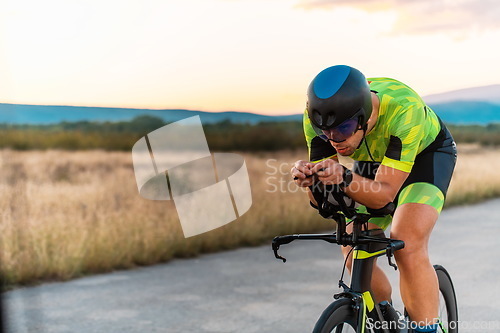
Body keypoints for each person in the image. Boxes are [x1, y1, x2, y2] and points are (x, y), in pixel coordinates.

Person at [291, 65, 457, 333]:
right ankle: (384, 319)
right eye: (325, 132)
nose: (334, 140)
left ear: (364, 117)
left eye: (343, 128)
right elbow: (325, 203)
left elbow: (383, 196)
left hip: (426, 157)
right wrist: (309, 181)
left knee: (407, 241)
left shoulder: (404, 109)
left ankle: (426, 329)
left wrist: (344, 177)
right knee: (352, 242)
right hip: (373, 158)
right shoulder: (319, 121)